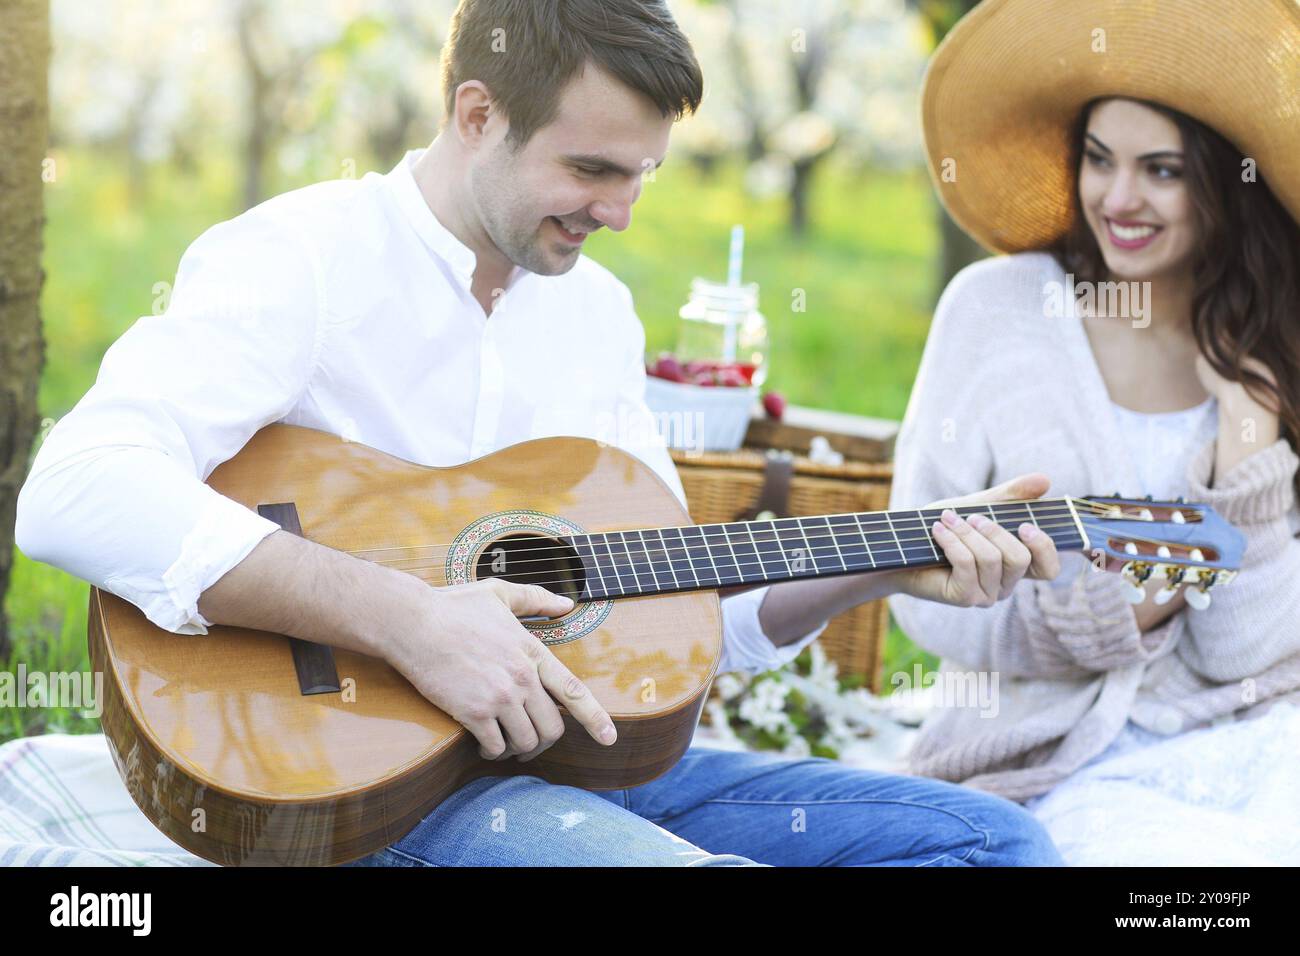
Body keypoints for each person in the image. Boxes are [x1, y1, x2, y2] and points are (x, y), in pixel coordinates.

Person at [16, 0, 1062, 866]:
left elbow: (687, 620)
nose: (622, 211)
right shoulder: (301, 259)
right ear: (477, 112)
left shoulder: (595, 313)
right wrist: (409, 620)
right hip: (362, 776)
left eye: (643, 174)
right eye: (594, 170)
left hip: (581, 756)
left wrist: (891, 556)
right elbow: (77, 487)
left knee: (992, 844)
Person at [889, 0, 1300, 864]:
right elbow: (904, 581)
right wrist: (1091, 623)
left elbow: (1244, 653)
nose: (1119, 199)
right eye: (1099, 159)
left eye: (1162, 171)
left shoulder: (1274, 348)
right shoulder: (998, 310)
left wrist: (1249, 428)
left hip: (1253, 738)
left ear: (1227, 181)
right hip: (1043, 759)